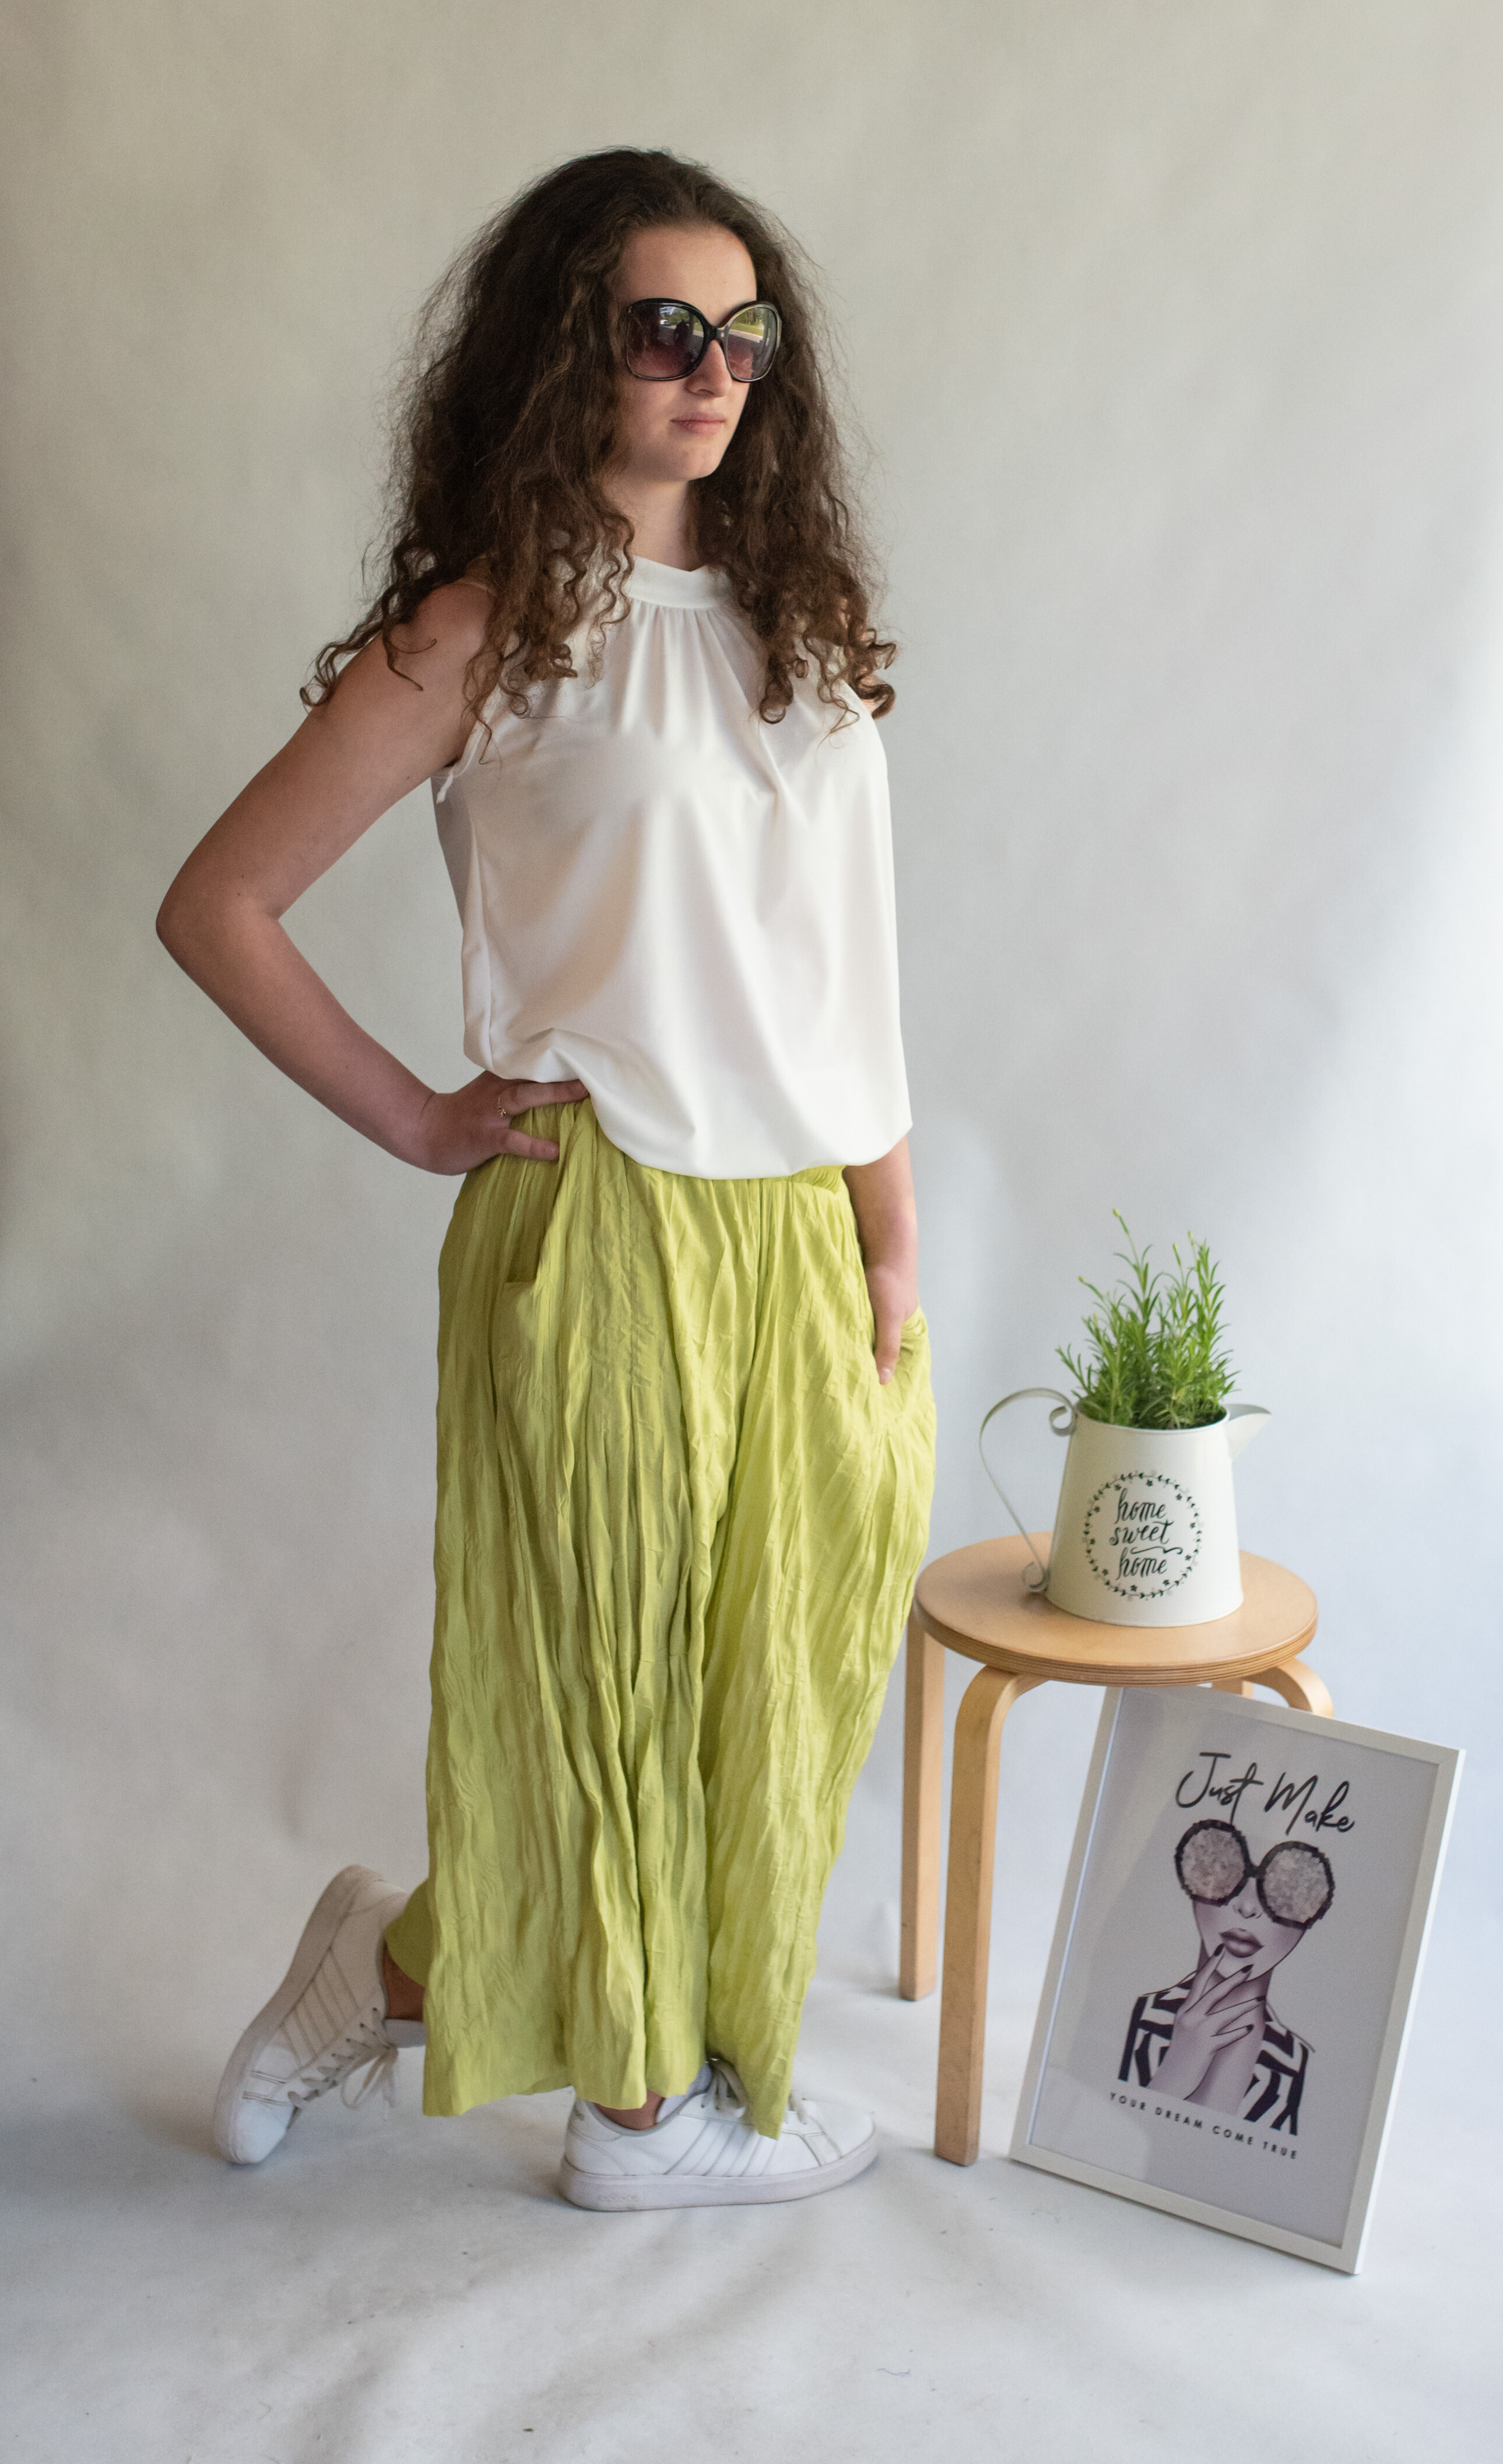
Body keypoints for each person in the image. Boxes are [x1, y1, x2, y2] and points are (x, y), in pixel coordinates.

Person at [156, 148, 935, 2212]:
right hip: (598, 1209)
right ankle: (640, 2113)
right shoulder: (489, 626)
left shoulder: (799, 625)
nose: (713, 371)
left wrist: (887, 1233)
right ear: (562, 349)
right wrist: (421, 1115)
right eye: (665, 329)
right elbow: (221, 903)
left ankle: (412, 1968)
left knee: (762, 1677)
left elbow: (844, 973)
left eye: (745, 335)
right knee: (601, 1691)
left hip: (796, 1225)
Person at [1118, 1816, 1335, 2133]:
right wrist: (1172, 2078)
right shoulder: (1135, 2017)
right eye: (1221, 1872)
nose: (1247, 1907)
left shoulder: (1299, 2064)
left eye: (1285, 1890)